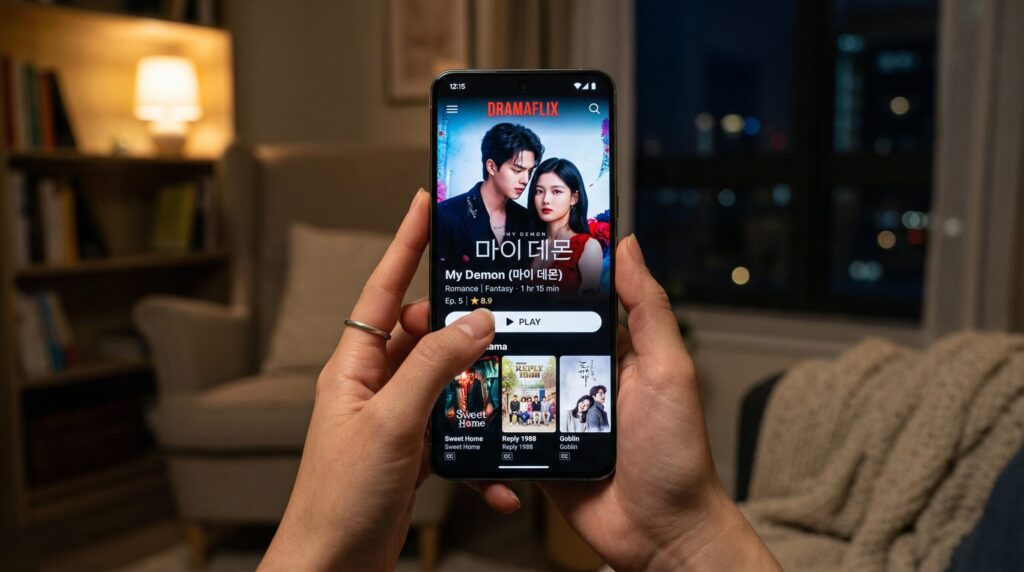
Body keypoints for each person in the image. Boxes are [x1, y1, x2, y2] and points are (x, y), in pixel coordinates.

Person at [258, 190, 780, 571]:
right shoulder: (519, 243)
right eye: (536, 186)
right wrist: (687, 539)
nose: (542, 195)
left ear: (575, 196)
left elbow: (571, 304)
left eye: (554, 187)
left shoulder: (584, 247)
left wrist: (686, 533)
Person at [436, 123, 544, 272]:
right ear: (491, 167)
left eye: (530, 171)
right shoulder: (445, 214)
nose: (525, 180)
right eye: (517, 170)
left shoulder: (527, 220)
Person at [526, 157, 603, 294]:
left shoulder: (588, 247)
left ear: (574, 198)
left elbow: (589, 304)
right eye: (539, 191)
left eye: (556, 191)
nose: (545, 200)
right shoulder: (525, 244)